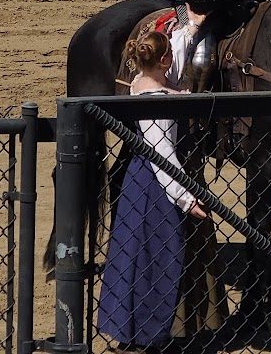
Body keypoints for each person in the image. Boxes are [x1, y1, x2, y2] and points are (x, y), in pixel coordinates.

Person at [97, 30, 227, 352]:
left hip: (135, 183)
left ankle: (127, 332)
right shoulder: (157, 101)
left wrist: (191, 25)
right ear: (165, 60)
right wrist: (188, 198)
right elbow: (163, 155)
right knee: (157, 258)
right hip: (156, 189)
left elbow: (172, 56)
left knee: (131, 256)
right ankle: (146, 338)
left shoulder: (140, 81)